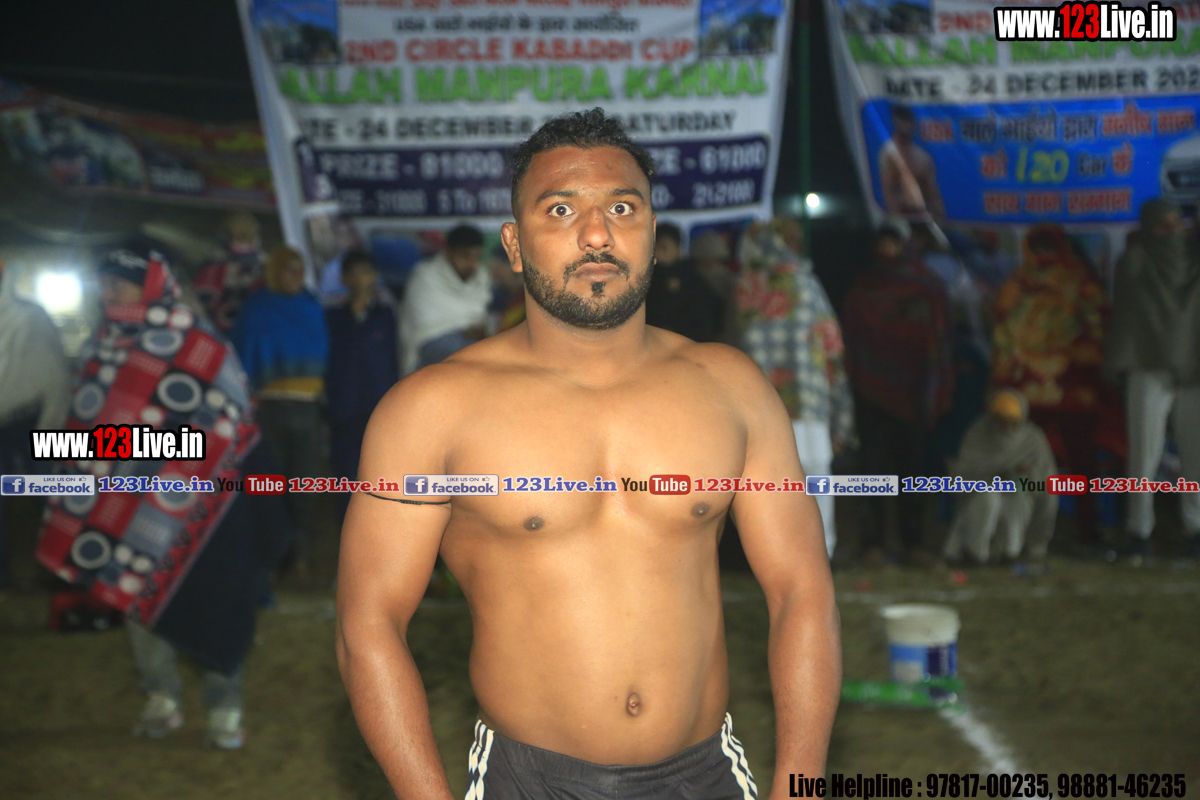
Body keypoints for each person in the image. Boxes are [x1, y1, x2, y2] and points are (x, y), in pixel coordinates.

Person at [336, 108, 839, 798]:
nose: (597, 234)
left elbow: (801, 587)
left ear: (654, 232)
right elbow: (368, 623)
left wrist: (801, 784)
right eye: (562, 209)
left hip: (706, 774)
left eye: (622, 208)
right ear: (514, 245)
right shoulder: (430, 410)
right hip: (531, 780)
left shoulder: (732, 387)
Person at [34, 248, 275, 748]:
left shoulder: (198, 344)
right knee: (133, 591)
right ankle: (161, 696)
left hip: (194, 504)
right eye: (103, 285)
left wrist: (147, 452)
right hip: (123, 505)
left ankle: (224, 706)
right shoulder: (105, 344)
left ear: (150, 287)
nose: (108, 295)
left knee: (209, 596)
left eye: (118, 285)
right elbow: (87, 427)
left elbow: (229, 425)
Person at [737, 217, 856, 558]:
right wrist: (840, 406)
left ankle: (772, 555)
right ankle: (821, 550)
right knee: (815, 473)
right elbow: (830, 343)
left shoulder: (745, 285)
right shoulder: (805, 281)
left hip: (758, 400)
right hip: (807, 395)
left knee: (767, 477)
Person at [842, 223, 954, 565]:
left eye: (893, 243)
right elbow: (851, 341)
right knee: (872, 472)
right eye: (883, 244)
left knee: (913, 472)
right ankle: (872, 544)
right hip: (870, 393)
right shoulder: (862, 288)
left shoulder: (926, 286)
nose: (888, 250)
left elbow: (940, 338)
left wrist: (936, 388)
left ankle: (913, 543)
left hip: (913, 392)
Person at [991, 224, 1108, 546]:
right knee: (1027, 465)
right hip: (1031, 393)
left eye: (1049, 248)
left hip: (1070, 390)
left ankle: (1089, 530)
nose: (1044, 257)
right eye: (1038, 249)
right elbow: (1002, 337)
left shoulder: (1082, 284)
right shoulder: (1016, 285)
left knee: (1080, 463)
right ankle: (1027, 532)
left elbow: (1098, 334)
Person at [1105, 198, 1200, 557]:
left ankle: (1195, 526)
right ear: (1148, 228)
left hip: (1194, 370)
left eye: (1177, 223)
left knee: (1196, 455)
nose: (1172, 231)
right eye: (1163, 225)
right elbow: (1130, 317)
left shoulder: (1194, 260)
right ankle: (1139, 530)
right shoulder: (1135, 262)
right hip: (1147, 366)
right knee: (1143, 456)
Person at [232, 245, 329, 577]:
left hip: (308, 408)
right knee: (269, 484)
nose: (294, 276)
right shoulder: (257, 308)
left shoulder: (312, 307)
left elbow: (325, 353)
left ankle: (300, 556)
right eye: (287, 269)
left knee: (305, 483)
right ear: (273, 272)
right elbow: (243, 358)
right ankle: (271, 559)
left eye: (299, 269)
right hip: (268, 409)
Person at [0, 258, 72, 588]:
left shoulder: (30, 318)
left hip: (30, 424)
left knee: (51, 494)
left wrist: (52, 427)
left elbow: (53, 376)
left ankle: (61, 569)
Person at [325, 250, 400, 518]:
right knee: (346, 469)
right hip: (343, 404)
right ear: (344, 279)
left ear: (374, 277)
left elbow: (396, 358)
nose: (360, 280)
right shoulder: (332, 317)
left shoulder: (386, 316)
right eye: (353, 274)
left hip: (380, 402)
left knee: (382, 466)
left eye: (365, 273)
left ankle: (380, 523)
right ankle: (347, 524)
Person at [942, 389, 1058, 565]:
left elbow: (1047, 485)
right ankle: (975, 553)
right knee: (988, 499)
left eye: (1013, 422)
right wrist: (992, 478)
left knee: (1018, 496)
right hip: (981, 498)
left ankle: (1009, 552)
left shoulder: (1032, 440)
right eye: (1001, 421)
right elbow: (961, 477)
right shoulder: (978, 434)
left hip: (1019, 501)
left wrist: (1026, 476)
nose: (1007, 428)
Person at [400, 224, 491, 373]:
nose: (472, 263)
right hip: (432, 349)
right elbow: (424, 330)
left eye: (476, 256)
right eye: (465, 256)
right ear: (449, 252)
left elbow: (483, 320)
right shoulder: (425, 276)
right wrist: (466, 332)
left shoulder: (482, 276)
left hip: (473, 347)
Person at [643, 222, 724, 343]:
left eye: (663, 247)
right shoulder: (644, 281)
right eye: (653, 248)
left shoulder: (693, 280)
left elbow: (705, 319)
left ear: (677, 249)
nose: (657, 254)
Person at [193, 211, 267, 334]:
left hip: (220, 332)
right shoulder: (268, 266)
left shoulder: (213, 264)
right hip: (250, 331)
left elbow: (200, 302)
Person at [879, 104, 944, 220]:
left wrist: (939, 218)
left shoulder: (923, 157)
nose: (906, 125)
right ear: (895, 121)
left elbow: (933, 193)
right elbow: (888, 192)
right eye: (902, 120)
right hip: (902, 216)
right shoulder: (888, 154)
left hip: (923, 216)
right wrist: (898, 221)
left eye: (908, 121)